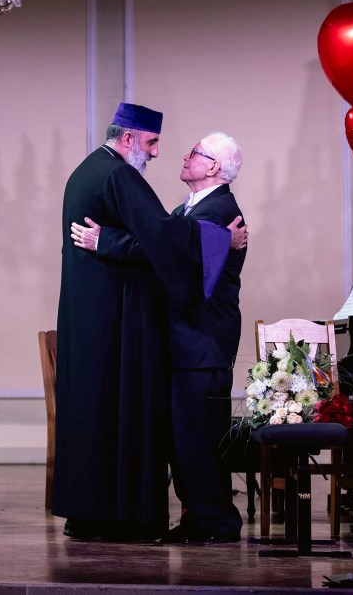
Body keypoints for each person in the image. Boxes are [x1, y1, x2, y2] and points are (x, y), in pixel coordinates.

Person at [53, 103, 242, 542]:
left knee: (98, 416)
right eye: (152, 142)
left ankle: (90, 512)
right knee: (121, 419)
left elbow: (161, 237)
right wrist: (221, 238)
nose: (158, 153)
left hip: (99, 320)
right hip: (114, 322)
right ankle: (119, 516)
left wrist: (107, 240)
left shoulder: (86, 171)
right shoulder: (119, 175)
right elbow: (161, 238)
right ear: (128, 139)